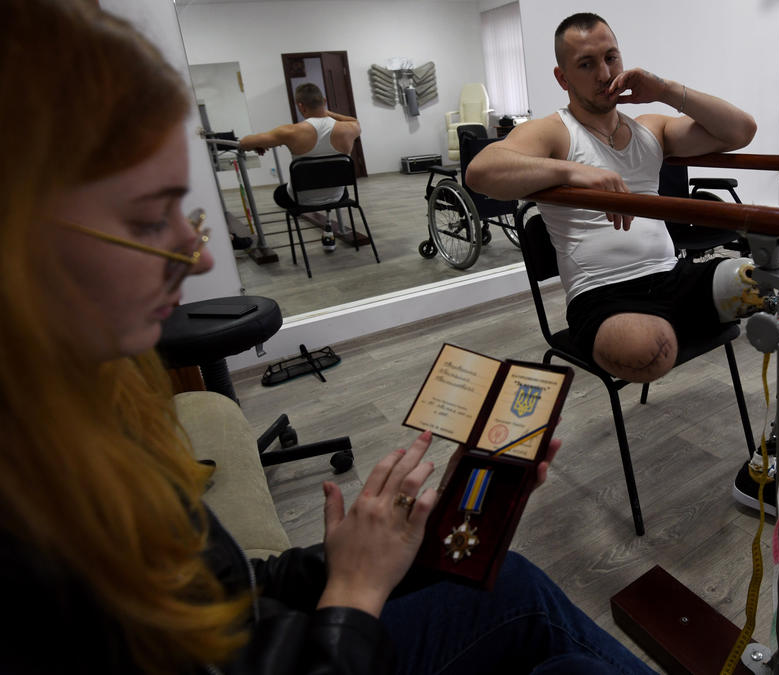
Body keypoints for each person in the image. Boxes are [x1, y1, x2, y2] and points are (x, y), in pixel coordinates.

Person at [0, 2, 662, 673]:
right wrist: (353, 591)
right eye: (147, 220)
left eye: (184, 211)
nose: (198, 258)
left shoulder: (82, 422)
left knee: (514, 581)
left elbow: (233, 596)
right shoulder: (33, 527)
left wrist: (389, 545)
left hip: (271, 631)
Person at [465, 12, 779, 542]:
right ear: (562, 77)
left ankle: (767, 468)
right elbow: (482, 171)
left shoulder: (651, 130)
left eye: (610, 57)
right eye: (585, 64)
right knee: (652, 350)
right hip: (602, 298)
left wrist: (665, 90)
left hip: (675, 278)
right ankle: (689, 331)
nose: (603, 72)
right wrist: (575, 173)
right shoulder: (555, 131)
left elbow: (741, 130)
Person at [239, 82, 362, 252]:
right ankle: (328, 226)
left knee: (279, 193)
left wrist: (260, 144)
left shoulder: (290, 132)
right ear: (324, 101)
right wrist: (327, 113)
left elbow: (244, 142)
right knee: (328, 183)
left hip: (301, 199)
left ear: (300, 106)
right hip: (338, 195)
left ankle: (325, 229)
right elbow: (354, 120)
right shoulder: (349, 128)